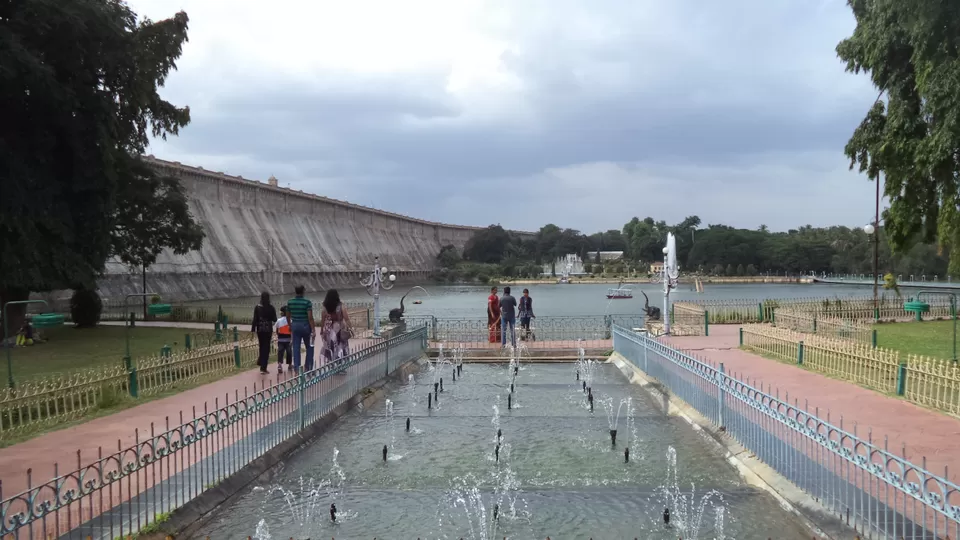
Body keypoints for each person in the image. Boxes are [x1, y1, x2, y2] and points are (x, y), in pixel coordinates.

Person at [287, 285, 316, 373]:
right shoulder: (307, 302)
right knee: (309, 346)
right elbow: (310, 317)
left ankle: (297, 368)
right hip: (305, 325)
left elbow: (288, 316)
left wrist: (290, 326)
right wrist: (313, 330)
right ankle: (308, 367)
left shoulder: (290, 302)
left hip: (295, 325)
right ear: (303, 291)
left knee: (296, 347)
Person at [320, 289, 352, 365]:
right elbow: (346, 318)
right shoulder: (340, 306)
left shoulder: (325, 307)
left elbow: (322, 319)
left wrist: (321, 330)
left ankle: (332, 363)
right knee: (340, 346)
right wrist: (350, 327)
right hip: (339, 329)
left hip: (328, 330)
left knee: (330, 346)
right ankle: (340, 364)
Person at [251, 292, 278, 373]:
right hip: (268, 329)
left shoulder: (257, 307)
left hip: (260, 329)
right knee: (266, 348)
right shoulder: (271, 307)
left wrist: (253, 330)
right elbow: (275, 319)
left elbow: (255, 319)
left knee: (261, 346)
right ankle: (263, 367)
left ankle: (261, 361)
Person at [274, 305, 292, 373]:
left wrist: (279, 335)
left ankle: (279, 364)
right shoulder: (290, 320)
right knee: (289, 352)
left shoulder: (279, 320)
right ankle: (290, 365)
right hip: (288, 340)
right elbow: (292, 331)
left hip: (280, 340)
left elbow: (276, 330)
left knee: (280, 352)